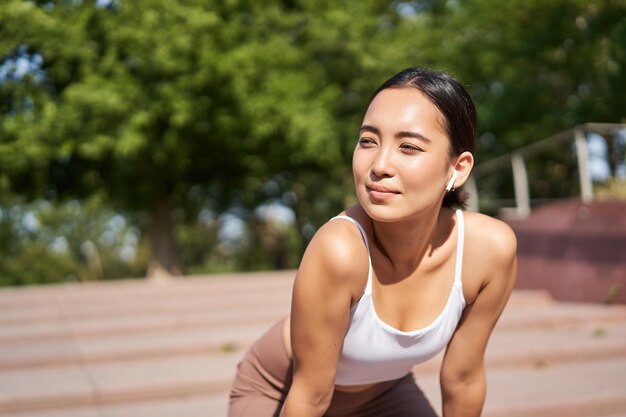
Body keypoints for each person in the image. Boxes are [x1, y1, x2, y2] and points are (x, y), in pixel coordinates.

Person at [228, 67, 517, 417]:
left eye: (408, 147)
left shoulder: (488, 251)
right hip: (282, 390)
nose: (379, 165)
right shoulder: (339, 249)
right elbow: (311, 397)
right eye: (368, 141)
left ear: (457, 168)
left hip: (385, 395)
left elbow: (463, 379)